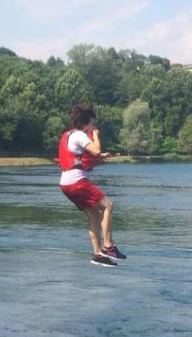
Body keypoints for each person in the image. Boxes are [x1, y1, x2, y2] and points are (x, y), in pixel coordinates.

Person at [58, 102, 127, 267]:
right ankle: (108, 246)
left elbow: (82, 160)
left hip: (66, 184)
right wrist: (95, 136)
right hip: (77, 182)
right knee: (108, 205)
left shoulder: (68, 135)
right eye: (92, 124)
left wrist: (99, 159)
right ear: (84, 123)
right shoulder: (80, 135)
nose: (93, 127)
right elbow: (95, 150)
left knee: (94, 216)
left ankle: (97, 254)